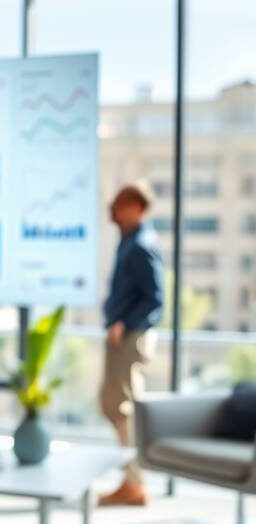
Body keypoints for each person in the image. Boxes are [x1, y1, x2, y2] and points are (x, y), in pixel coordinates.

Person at [98, 182, 164, 507]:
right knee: (112, 404)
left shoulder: (142, 245)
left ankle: (134, 483)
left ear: (137, 208)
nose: (117, 211)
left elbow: (155, 299)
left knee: (123, 409)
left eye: (123, 206)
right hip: (120, 336)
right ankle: (132, 479)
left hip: (130, 337)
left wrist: (124, 322)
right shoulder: (128, 241)